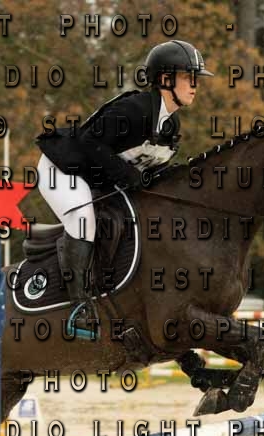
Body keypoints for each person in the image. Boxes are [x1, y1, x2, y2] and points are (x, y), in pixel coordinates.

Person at [34, 40, 214, 319]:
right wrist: (129, 176)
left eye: (196, 78)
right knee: (83, 219)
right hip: (62, 169)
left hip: (96, 177)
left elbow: (150, 170)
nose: (195, 85)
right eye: (188, 77)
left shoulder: (171, 125)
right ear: (165, 80)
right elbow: (89, 141)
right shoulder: (135, 109)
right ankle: (79, 307)